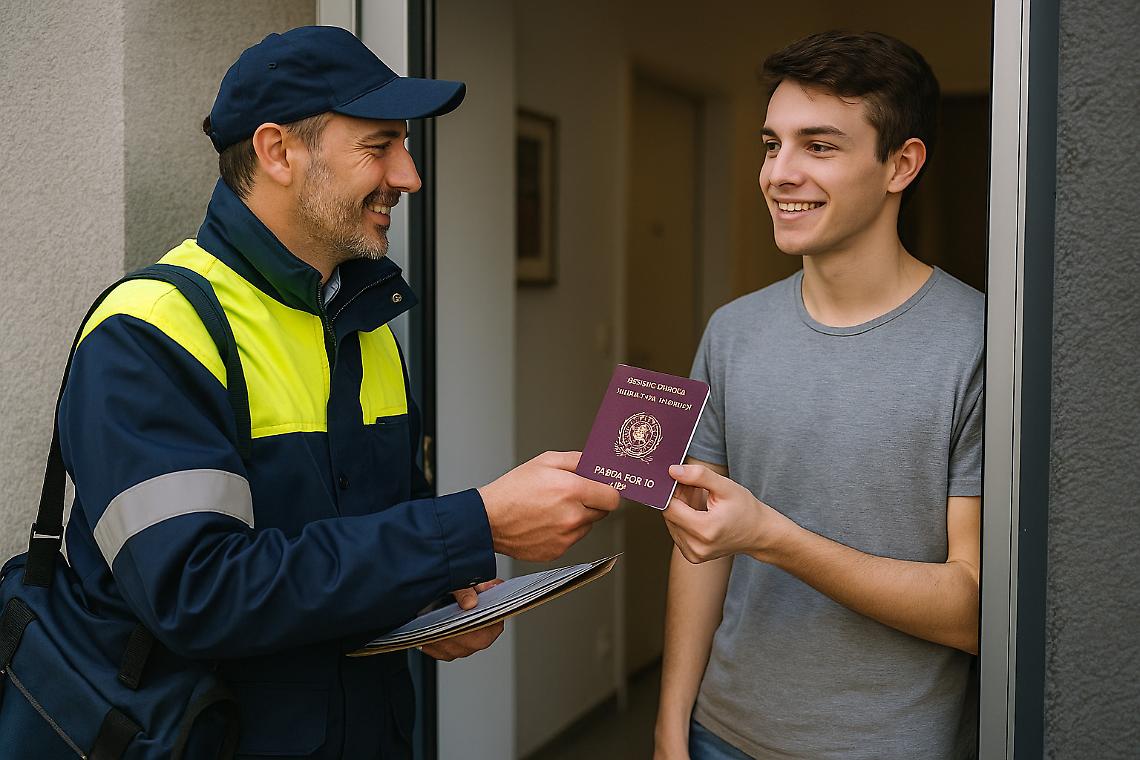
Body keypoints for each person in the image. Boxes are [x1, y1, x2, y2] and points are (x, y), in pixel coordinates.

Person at [58, 26, 619, 759]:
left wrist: (435, 597)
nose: (409, 175)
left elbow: (362, 544)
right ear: (278, 151)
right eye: (379, 145)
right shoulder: (150, 333)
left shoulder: (365, 324)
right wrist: (473, 529)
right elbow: (199, 592)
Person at [654, 31, 983, 760]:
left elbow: (973, 610)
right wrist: (671, 725)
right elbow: (701, 546)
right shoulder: (732, 333)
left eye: (819, 147)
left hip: (894, 746)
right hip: (721, 736)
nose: (779, 172)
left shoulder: (980, 344)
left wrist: (771, 536)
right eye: (772, 144)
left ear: (902, 164)